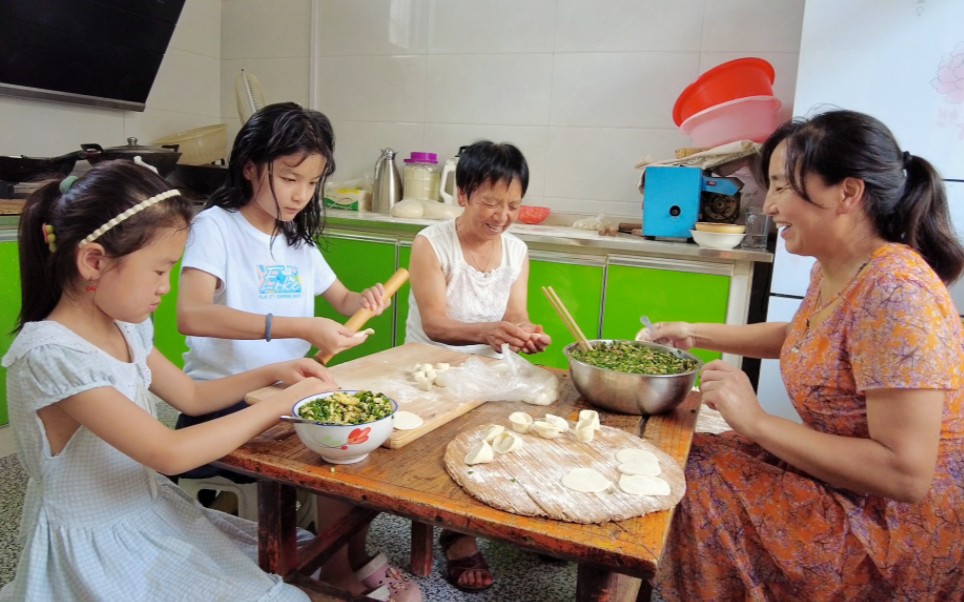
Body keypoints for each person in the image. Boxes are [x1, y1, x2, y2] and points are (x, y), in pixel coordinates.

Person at [638, 110, 964, 600]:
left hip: (887, 525)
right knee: (680, 448)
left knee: (692, 483)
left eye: (781, 187)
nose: (768, 206)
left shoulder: (898, 290)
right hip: (843, 481)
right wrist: (694, 331)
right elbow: (808, 335)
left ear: (848, 193)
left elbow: (906, 474)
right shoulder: (839, 266)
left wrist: (754, 422)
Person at [0, 160, 337, 601]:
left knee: (285, 564)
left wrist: (274, 373)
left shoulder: (125, 327)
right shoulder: (52, 355)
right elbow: (170, 453)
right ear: (94, 261)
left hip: (145, 511)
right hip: (98, 544)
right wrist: (278, 403)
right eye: (160, 270)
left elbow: (193, 396)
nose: (166, 287)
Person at [174, 102, 420, 601]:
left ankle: (345, 558)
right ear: (249, 167)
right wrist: (297, 325)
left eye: (311, 183)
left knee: (358, 438)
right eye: (289, 178)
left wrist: (364, 301)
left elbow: (344, 301)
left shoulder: (297, 241)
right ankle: (336, 575)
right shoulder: (216, 227)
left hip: (285, 392)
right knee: (336, 446)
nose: (300, 194)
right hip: (221, 399)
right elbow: (192, 314)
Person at [405, 140, 552, 592]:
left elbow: (514, 316)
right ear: (463, 193)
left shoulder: (517, 251)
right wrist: (490, 332)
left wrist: (524, 335)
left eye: (513, 205)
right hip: (432, 368)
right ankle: (459, 536)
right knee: (451, 446)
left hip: (490, 365)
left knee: (534, 425)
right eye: (490, 201)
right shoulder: (431, 243)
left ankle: (520, 519)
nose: (501, 215)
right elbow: (434, 324)